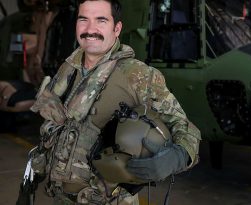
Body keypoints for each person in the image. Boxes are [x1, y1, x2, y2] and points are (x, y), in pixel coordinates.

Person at [29, 0, 201, 204]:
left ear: (116, 28)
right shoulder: (68, 69)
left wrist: (176, 157)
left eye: (101, 20)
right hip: (61, 197)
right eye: (83, 20)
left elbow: (184, 127)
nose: (90, 29)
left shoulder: (138, 75)